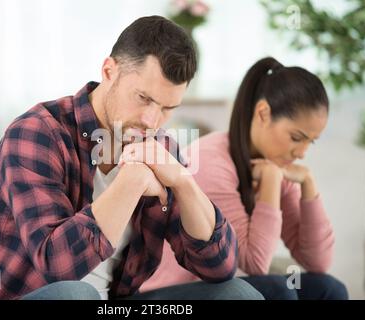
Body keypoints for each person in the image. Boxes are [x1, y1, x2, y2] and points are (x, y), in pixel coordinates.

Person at [0, 15, 263, 300]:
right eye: (143, 98)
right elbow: (56, 266)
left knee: (238, 294)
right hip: (37, 296)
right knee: (75, 295)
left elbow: (218, 268)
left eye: (168, 108)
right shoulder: (38, 133)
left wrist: (183, 182)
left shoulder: (162, 149)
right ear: (109, 71)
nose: (152, 120)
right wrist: (130, 182)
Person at [141, 57, 349, 300]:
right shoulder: (212, 161)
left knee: (329, 289)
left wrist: (308, 185)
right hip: (163, 292)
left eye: (309, 142)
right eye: (296, 137)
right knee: (280, 290)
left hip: (217, 287)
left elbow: (317, 261)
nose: (302, 152)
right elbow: (255, 263)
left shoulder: (276, 164)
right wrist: (271, 181)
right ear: (263, 112)